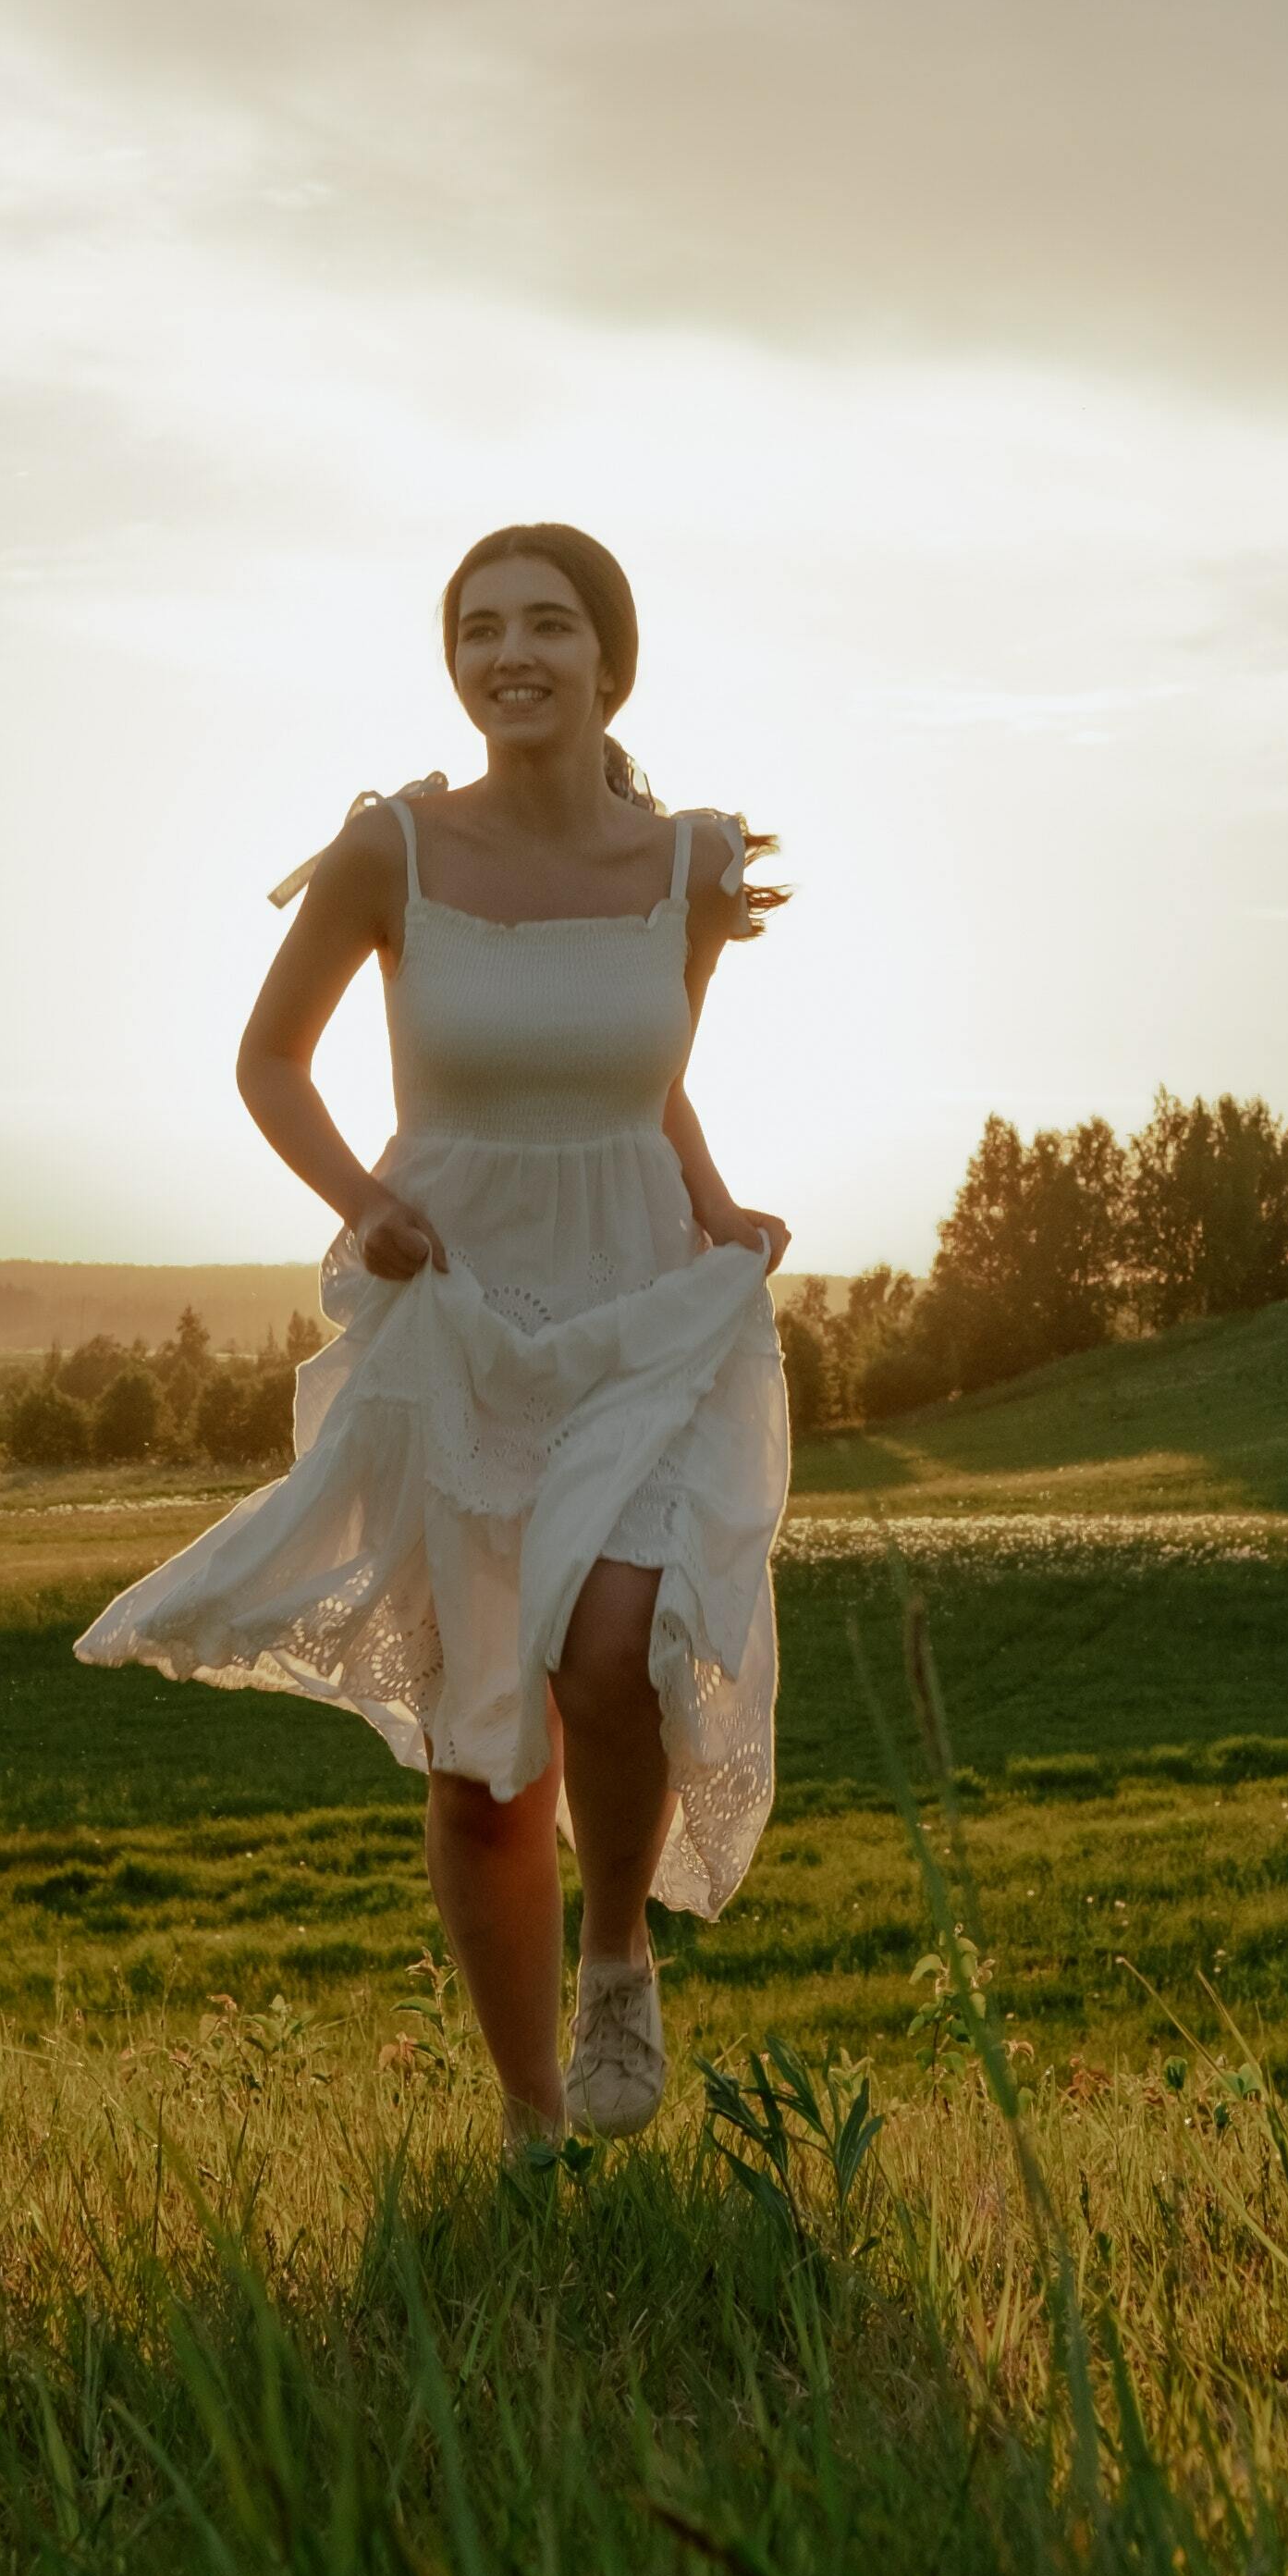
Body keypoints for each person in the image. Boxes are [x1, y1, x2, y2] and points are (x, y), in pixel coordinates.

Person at [79, 524, 793, 2160]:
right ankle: (534, 2124)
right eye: (480, 629)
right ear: (454, 663)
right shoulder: (387, 850)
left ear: (612, 658)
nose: (511, 653)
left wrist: (721, 1202)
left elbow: (645, 1074)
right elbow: (270, 1062)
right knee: (487, 1749)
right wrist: (361, 1207)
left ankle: (617, 1949)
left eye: (547, 625)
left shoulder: (687, 862)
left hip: (639, 1300)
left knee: (616, 1653)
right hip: (455, 1307)